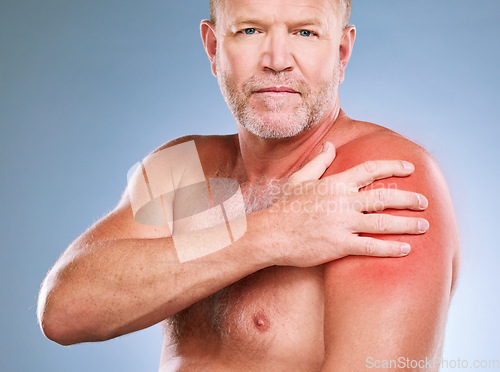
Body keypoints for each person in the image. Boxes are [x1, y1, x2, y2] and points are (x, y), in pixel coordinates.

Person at [37, 0, 461, 370]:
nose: (277, 59)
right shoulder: (183, 166)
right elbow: (63, 312)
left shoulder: (382, 176)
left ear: (342, 51)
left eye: (306, 32)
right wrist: (271, 232)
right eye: (250, 30)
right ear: (214, 47)